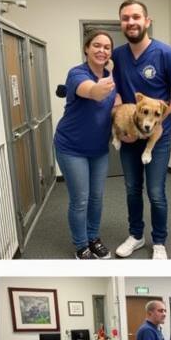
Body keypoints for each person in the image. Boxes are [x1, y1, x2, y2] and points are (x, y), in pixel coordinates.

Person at [109, 0, 171, 260]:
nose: (130, 22)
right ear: (121, 23)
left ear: (147, 21)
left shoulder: (165, 53)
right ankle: (136, 235)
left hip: (157, 137)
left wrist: (156, 118)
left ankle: (159, 242)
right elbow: (113, 91)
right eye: (125, 18)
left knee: (156, 192)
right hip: (128, 133)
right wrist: (121, 127)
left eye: (136, 17)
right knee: (132, 188)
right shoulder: (117, 56)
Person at [52, 29, 119, 259]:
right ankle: (81, 245)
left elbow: (114, 103)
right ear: (86, 48)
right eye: (97, 45)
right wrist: (109, 74)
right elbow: (95, 92)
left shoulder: (112, 78)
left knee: (96, 197)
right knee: (80, 199)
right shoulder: (77, 74)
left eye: (107, 47)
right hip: (71, 147)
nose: (102, 50)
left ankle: (93, 237)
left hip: (98, 149)